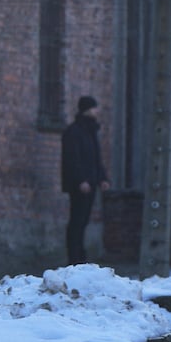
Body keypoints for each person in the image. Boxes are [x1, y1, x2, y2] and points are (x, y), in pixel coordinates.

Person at [60, 95, 110, 264]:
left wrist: (102, 178)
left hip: (90, 182)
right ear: (88, 109)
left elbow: (96, 158)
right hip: (80, 185)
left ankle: (80, 257)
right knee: (77, 220)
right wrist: (81, 180)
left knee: (83, 221)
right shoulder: (74, 132)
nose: (98, 111)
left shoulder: (90, 131)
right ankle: (74, 258)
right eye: (94, 108)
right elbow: (72, 159)